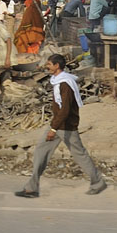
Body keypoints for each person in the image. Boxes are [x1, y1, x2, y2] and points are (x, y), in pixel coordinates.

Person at [15, 53, 107, 198]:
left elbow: (65, 109)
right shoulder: (58, 81)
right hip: (58, 124)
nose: (47, 66)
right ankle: (31, 188)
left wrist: (53, 128)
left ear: (57, 66)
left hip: (65, 127)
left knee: (80, 155)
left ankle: (98, 182)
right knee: (41, 151)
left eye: (49, 64)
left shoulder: (65, 84)